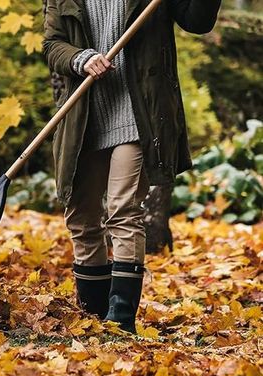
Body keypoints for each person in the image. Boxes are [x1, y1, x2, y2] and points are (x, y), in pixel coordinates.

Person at [43, 0, 221, 333]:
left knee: (123, 209)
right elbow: (53, 45)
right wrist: (80, 59)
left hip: (137, 114)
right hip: (85, 116)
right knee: (81, 217)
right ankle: (93, 317)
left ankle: (121, 319)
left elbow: (198, 21)